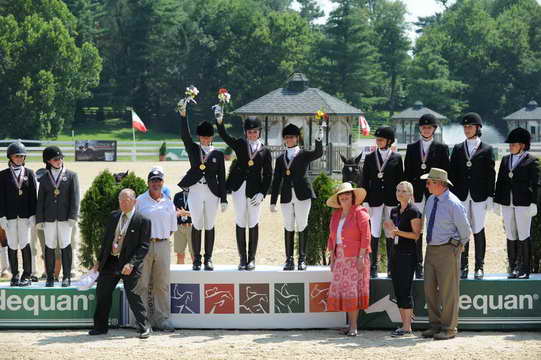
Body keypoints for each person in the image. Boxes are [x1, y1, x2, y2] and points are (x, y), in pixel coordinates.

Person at [89, 188, 151, 339]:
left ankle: (144, 327)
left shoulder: (143, 220)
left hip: (129, 264)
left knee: (133, 294)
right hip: (110, 261)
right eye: (120, 200)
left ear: (134, 201)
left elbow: (143, 246)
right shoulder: (114, 216)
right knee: (103, 293)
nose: (123, 203)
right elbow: (105, 241)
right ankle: (100, 327)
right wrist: (99, 261)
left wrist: (131, 264)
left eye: (126, 200)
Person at [216, 111, 273, 270]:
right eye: (249, 132)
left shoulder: (265, 151)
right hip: (239, 187)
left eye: (255, 132)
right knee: (240, 220)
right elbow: (225, 136)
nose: (252, 134)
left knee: (253, 221)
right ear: (245, 132)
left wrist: (263, 192)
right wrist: (219, 121)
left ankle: (252, 258)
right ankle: (242, 258)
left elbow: (268, 174)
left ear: (259, 132)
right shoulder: (240, 144)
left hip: (255, 191)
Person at [177, 96, 227, 271]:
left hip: (212, 191)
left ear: (211, 137)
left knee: (210, 224)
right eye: (202, 137)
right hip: (196, 190)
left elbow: (222, 175)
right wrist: (183, 116)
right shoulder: (193, 149)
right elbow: (184, 135)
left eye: (208, 137)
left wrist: (224, 198)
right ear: (199, 137)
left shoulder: (218, 154)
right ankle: (197, 259)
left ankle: (209, 258)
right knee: (197, 223)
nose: (205, 140)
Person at [421, 168, 471, 340]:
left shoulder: (453, 203)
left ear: (439, 184)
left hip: (448, 249)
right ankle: (435, 326)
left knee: (448, 291)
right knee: (429, 288)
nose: (426, 185)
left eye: (429, 182)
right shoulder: (430, 200)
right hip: (431, 248)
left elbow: (465, 231)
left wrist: (456, 246)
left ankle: (449, 328)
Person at [449, 113, 495, 279]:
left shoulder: (487, 149)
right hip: (461, 195)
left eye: (470, 127)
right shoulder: (458, 148)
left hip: (479, 196)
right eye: (465, 127)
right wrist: (451, 196)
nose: (467, 129)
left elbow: (491, 174)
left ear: (478, 128)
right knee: (463, 230)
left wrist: (490, 195)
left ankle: (479, 266)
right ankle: (463, 266)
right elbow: (452, 174)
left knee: (478, 229)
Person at [404, 113, 450, 279]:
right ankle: (417, 264)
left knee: (433, 228)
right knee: (417, 229)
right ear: (420, 129)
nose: (426, 129)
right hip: (416, 194)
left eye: (429, 127)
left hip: (434, 193)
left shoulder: (442, 148)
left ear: (434, 129)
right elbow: (407, 173)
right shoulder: (411, 148)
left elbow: (445, 173)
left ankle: (433, 263)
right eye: (423, 127)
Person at [325, 182, 371, 337]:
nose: (344, 197)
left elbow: (366, 237)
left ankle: (353, 327)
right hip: (340, 258)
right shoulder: (336, 215)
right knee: (345, 292)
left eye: (347, 195)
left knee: (352, 292)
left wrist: (361, 257)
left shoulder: (360, 213)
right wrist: (332, 258)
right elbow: (332, 238)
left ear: (353, 197)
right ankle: (349, 325)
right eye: (341, 195)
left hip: (355, 258)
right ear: (338, 199)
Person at [135, 167, 177, 332]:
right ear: (148, 182)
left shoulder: (168, 202)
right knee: (142, 283)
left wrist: (160, 238)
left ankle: (163, 320)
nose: (156, 183)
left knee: (162, 284)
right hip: (143, 245)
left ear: (162, 182)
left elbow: (172, 227)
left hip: (163, 244)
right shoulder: (140, 201)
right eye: (153, 180)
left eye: (159, 180)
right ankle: (142, 320)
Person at [494, 128, 539, 280]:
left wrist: (534, 203)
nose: (511, 146)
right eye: (510, 144)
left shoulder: (531, 161)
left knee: (524, 234)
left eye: (514, 144)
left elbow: (536, 184)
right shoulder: (506, 159)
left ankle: (525, 268)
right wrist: (496, 201)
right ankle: (513, 267)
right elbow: (500, 181)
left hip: (524, 203)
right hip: (507, 202)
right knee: (511, 234)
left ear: (523, 145)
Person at [362, 126, 403, 278]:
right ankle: (373, 266)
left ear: (389, 141)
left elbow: (400, 182)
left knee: (391, 233)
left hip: (392, 201)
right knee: (374, 233)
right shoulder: (370, 157)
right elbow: (365, 180)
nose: (378, 141)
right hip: (375, 200)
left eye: (381, 139)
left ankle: (391, 268)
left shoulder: (397, 158)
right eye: (377, 139)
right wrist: (365, 201)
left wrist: (401, 202)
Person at [36, 146, 80, 287]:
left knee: (66, 245)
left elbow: (75, 198)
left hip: (65, 218)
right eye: (56, 159)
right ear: (48, 161)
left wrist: (73, 216)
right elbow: (40, 200)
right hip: (48, 218)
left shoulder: (71, 175)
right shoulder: (43, 178)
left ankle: (66, 276)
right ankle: (50, 277)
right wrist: (39, 219)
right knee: (49, 246)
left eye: (61, 158)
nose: (59, 161)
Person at [384, 181, 422, 337]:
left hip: (408, 255)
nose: (399, 193)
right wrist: (390, 229)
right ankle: (404, 325)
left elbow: (416, 235)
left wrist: (398, 232)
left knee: (405, 290)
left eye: (403, 191)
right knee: (398, 290)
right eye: (398, 190)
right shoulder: (394, 211)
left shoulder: (414, 211)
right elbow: (393, 232)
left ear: (410, 194)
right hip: (395, 254)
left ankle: (407, 327)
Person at [0, 141, 38, 286]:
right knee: (12, 244)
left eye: (22, 156)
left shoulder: (29, 173)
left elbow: (33, 196)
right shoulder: (2, 175)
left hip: (25, 216)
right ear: (10, 157)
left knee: (24, 243)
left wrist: (33, 215)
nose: (19, 159)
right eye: (16, 156)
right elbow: (0, 197)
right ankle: (14, 274)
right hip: (9, 216)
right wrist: (1, 216)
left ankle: (26, 275)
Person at [173, 189, 193, 264]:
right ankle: (180, 273)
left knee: (194, 254)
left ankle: (197, 274)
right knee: (179, 254)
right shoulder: (177, 196)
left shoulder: (195, 196)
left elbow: (198, 213)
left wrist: (186, 213)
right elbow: (173, 211)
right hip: (179, 227)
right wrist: (178, 213)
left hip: (192, 227)